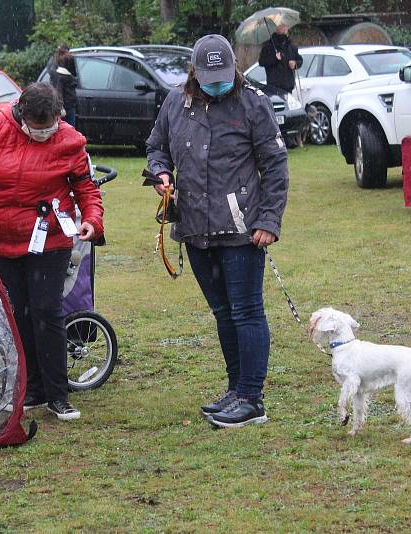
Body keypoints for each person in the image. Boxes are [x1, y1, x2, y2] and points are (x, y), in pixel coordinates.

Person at [146, 34, 289, 428]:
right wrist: (159, 172)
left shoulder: (253, 103)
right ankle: (235, 388)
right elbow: (156, 147)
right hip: (194, 227)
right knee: (222, 312)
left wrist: (268, 221)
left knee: (246, 312)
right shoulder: (175, 102)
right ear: (195, 72)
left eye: (223, 75)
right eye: (210, 76)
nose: (218, 82)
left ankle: (252, 399)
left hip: (243, 230)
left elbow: (275, 166)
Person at [0, 82, 104, 421]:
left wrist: (92, 221)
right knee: (19, 313)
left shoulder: (71, 140)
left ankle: (58, 394)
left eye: (49, 128)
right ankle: (33, 388)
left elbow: (86, 188)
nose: (43, 134)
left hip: (49, 239)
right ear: (20, 115)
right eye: (36, 129)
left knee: (46, 310)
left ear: (59, 116)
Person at [258, 23, 303, 95]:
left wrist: (295, 63)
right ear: (276, 28)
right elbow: (261, 62)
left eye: (286, 25)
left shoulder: (291, 46)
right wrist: (274, 58)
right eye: (282, 25)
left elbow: (299, 60)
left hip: (288, 86)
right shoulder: (268, 47)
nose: (285, 27)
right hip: (273, 87)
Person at [48, 44, 78, 128]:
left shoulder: (55, 66)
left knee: (64, 128)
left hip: (66, 105)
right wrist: (61, 107)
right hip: (66, 106)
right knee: (69, 128)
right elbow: (59, 92)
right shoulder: (62, 75)